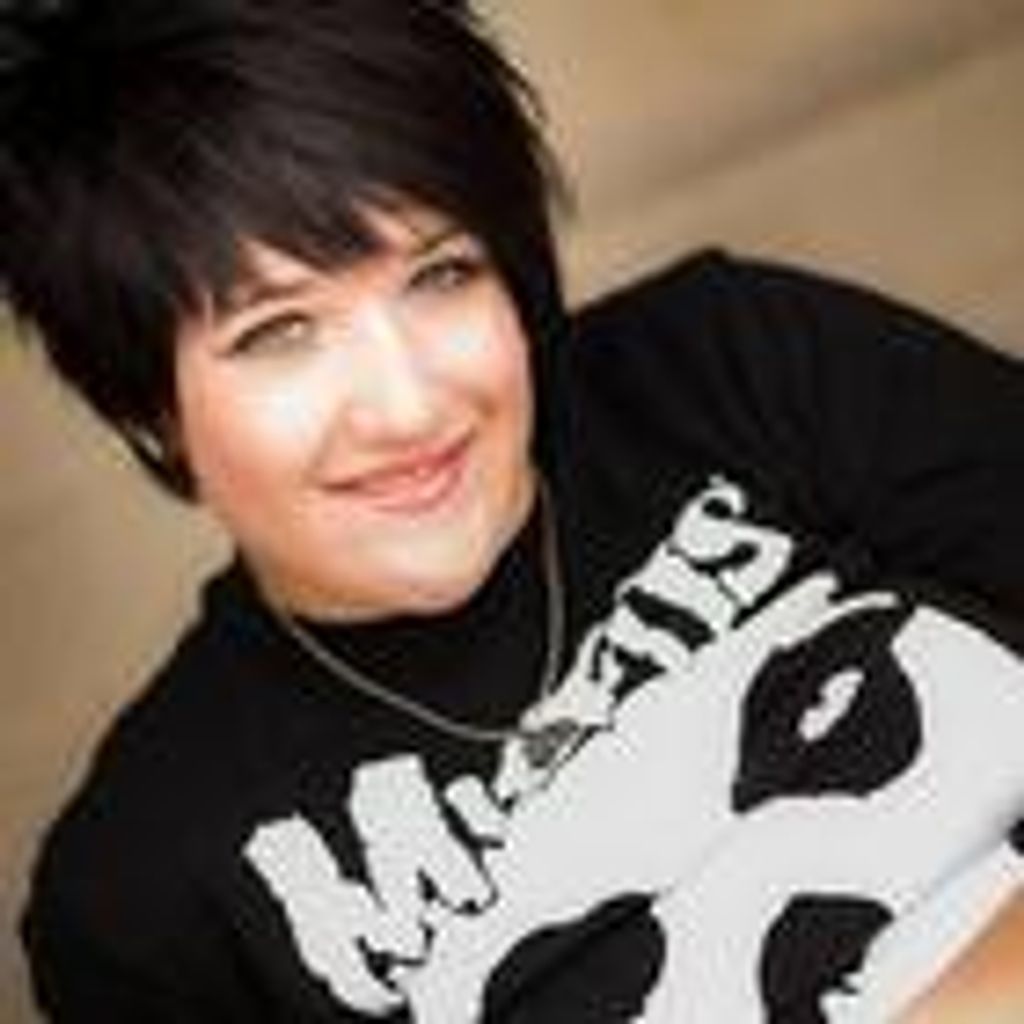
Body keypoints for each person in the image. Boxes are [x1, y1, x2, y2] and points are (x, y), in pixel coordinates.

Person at [3, 0, 1024, 1020]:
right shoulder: (144, 903)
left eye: (439, 275)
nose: (408, 406)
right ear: (148, 412)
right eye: (279, 333)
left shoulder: (733, 363)